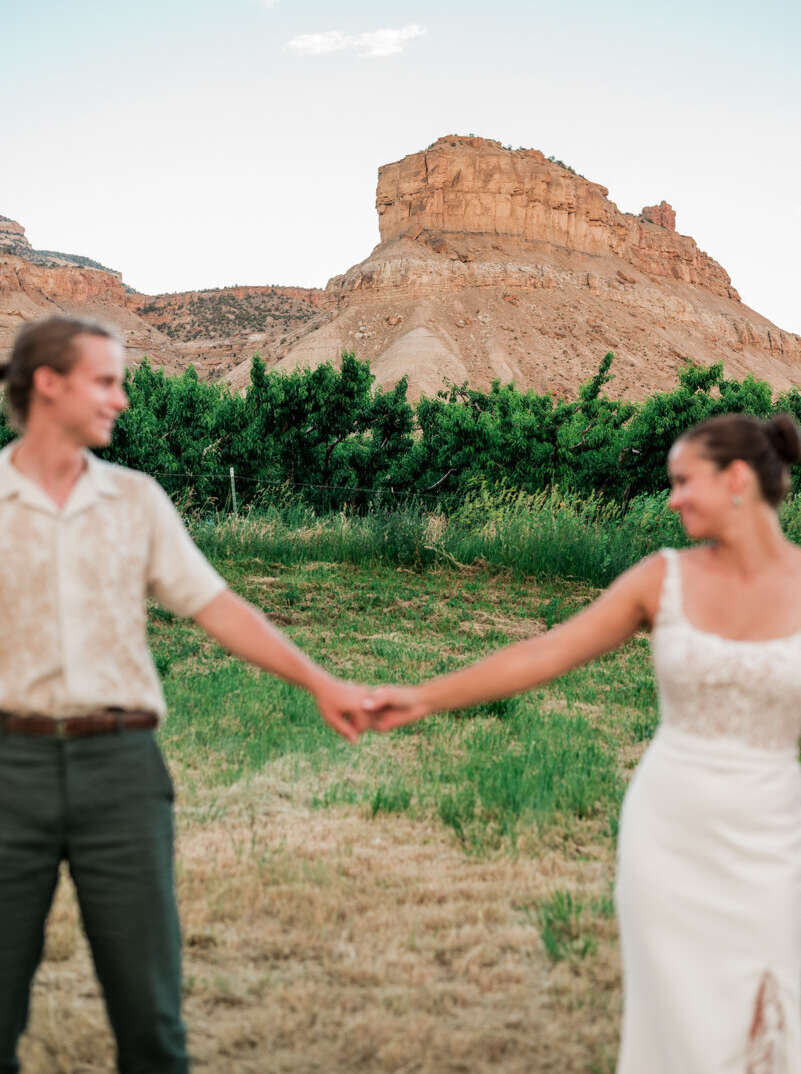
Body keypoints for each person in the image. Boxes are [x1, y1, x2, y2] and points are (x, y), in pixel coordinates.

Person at [364, 412, 801, 1074]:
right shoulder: (663, 578)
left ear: (736, 477)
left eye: (683, 481)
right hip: (670, 835)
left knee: (772, 1017)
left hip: (774, 838)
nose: (671, 497)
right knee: (680, 1019)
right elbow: (547, 652)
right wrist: (425, 696)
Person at [0, 315, 371, 1074]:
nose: (121, 400)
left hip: (123, 774)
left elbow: (215, 606)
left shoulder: (136, 501)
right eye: (105, 382)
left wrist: (318, 680)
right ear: (48, 384)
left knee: (151, 1023)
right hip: (7, 774)